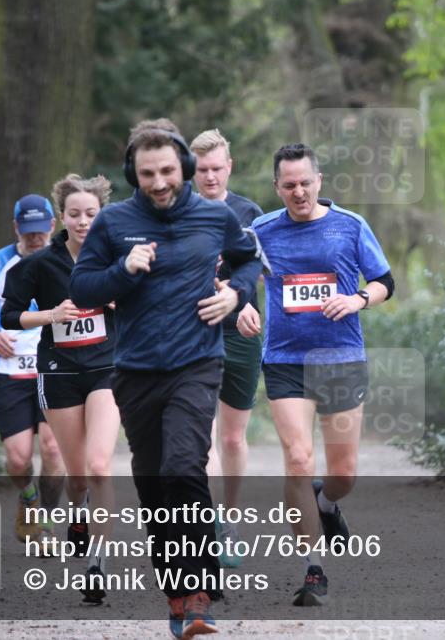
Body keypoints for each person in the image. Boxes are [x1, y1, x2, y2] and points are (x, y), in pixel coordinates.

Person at [70, 119, 263, 639]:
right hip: (135, 370)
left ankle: (200, 595)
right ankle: (176, 594)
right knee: (155, 484)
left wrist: (235, 295)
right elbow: (83, 289)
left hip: (197, 364)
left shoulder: (214, 215)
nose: (158, 182)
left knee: (183, 467)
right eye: (147, 172)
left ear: (186, 167)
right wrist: (123, 271)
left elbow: (249, 261)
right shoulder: (113, 223)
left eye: (168, 171)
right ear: (134, 172)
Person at [238, 143, 394, 606]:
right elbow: (230, 278)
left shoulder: (350, 226)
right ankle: (312, 569)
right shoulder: (261, 231)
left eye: (306, 182)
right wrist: (243, 304)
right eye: (289, 185)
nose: (299, 191)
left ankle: (328, 502)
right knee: (300, 461)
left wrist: (358, 299)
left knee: (343, 472)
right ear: (277, 187)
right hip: (285, 361)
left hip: (341, 358)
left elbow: (387, 281)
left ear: (319, 180)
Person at [0, 174, 120, 604]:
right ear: (60, 218)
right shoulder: (39, 265)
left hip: (108, 369)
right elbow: (10, 316)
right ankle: (79, 513)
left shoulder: (117, 257)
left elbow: (147, 302)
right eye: (75, 214)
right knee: (79, 476)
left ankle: (97, 565)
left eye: (91, 214)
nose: (84, 222)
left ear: (101, 214)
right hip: (60, 373)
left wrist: (116, 302)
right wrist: (50, 315)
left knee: (101, 465)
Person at [0, 194, 65, 551]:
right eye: (28, 231)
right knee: (19, 459)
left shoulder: (65, 260)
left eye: (41, 231)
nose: (35, 238)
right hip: (10, 372)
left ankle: (46, 523)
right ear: (17, 227)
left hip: (55, 368)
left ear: (52, 225)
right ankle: (28, 495)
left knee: (52, 448)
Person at [191, 129, 263, 567]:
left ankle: (231, 522)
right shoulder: (178, 213)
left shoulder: (248, 213)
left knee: (233, 436)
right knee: (203, 436)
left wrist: (244, 304)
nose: (211, 177)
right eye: (202, 171)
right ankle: (211, 521)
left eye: (217, 169)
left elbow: (256, 270)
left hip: (241, 330)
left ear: (229, 167)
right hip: (194, 329)